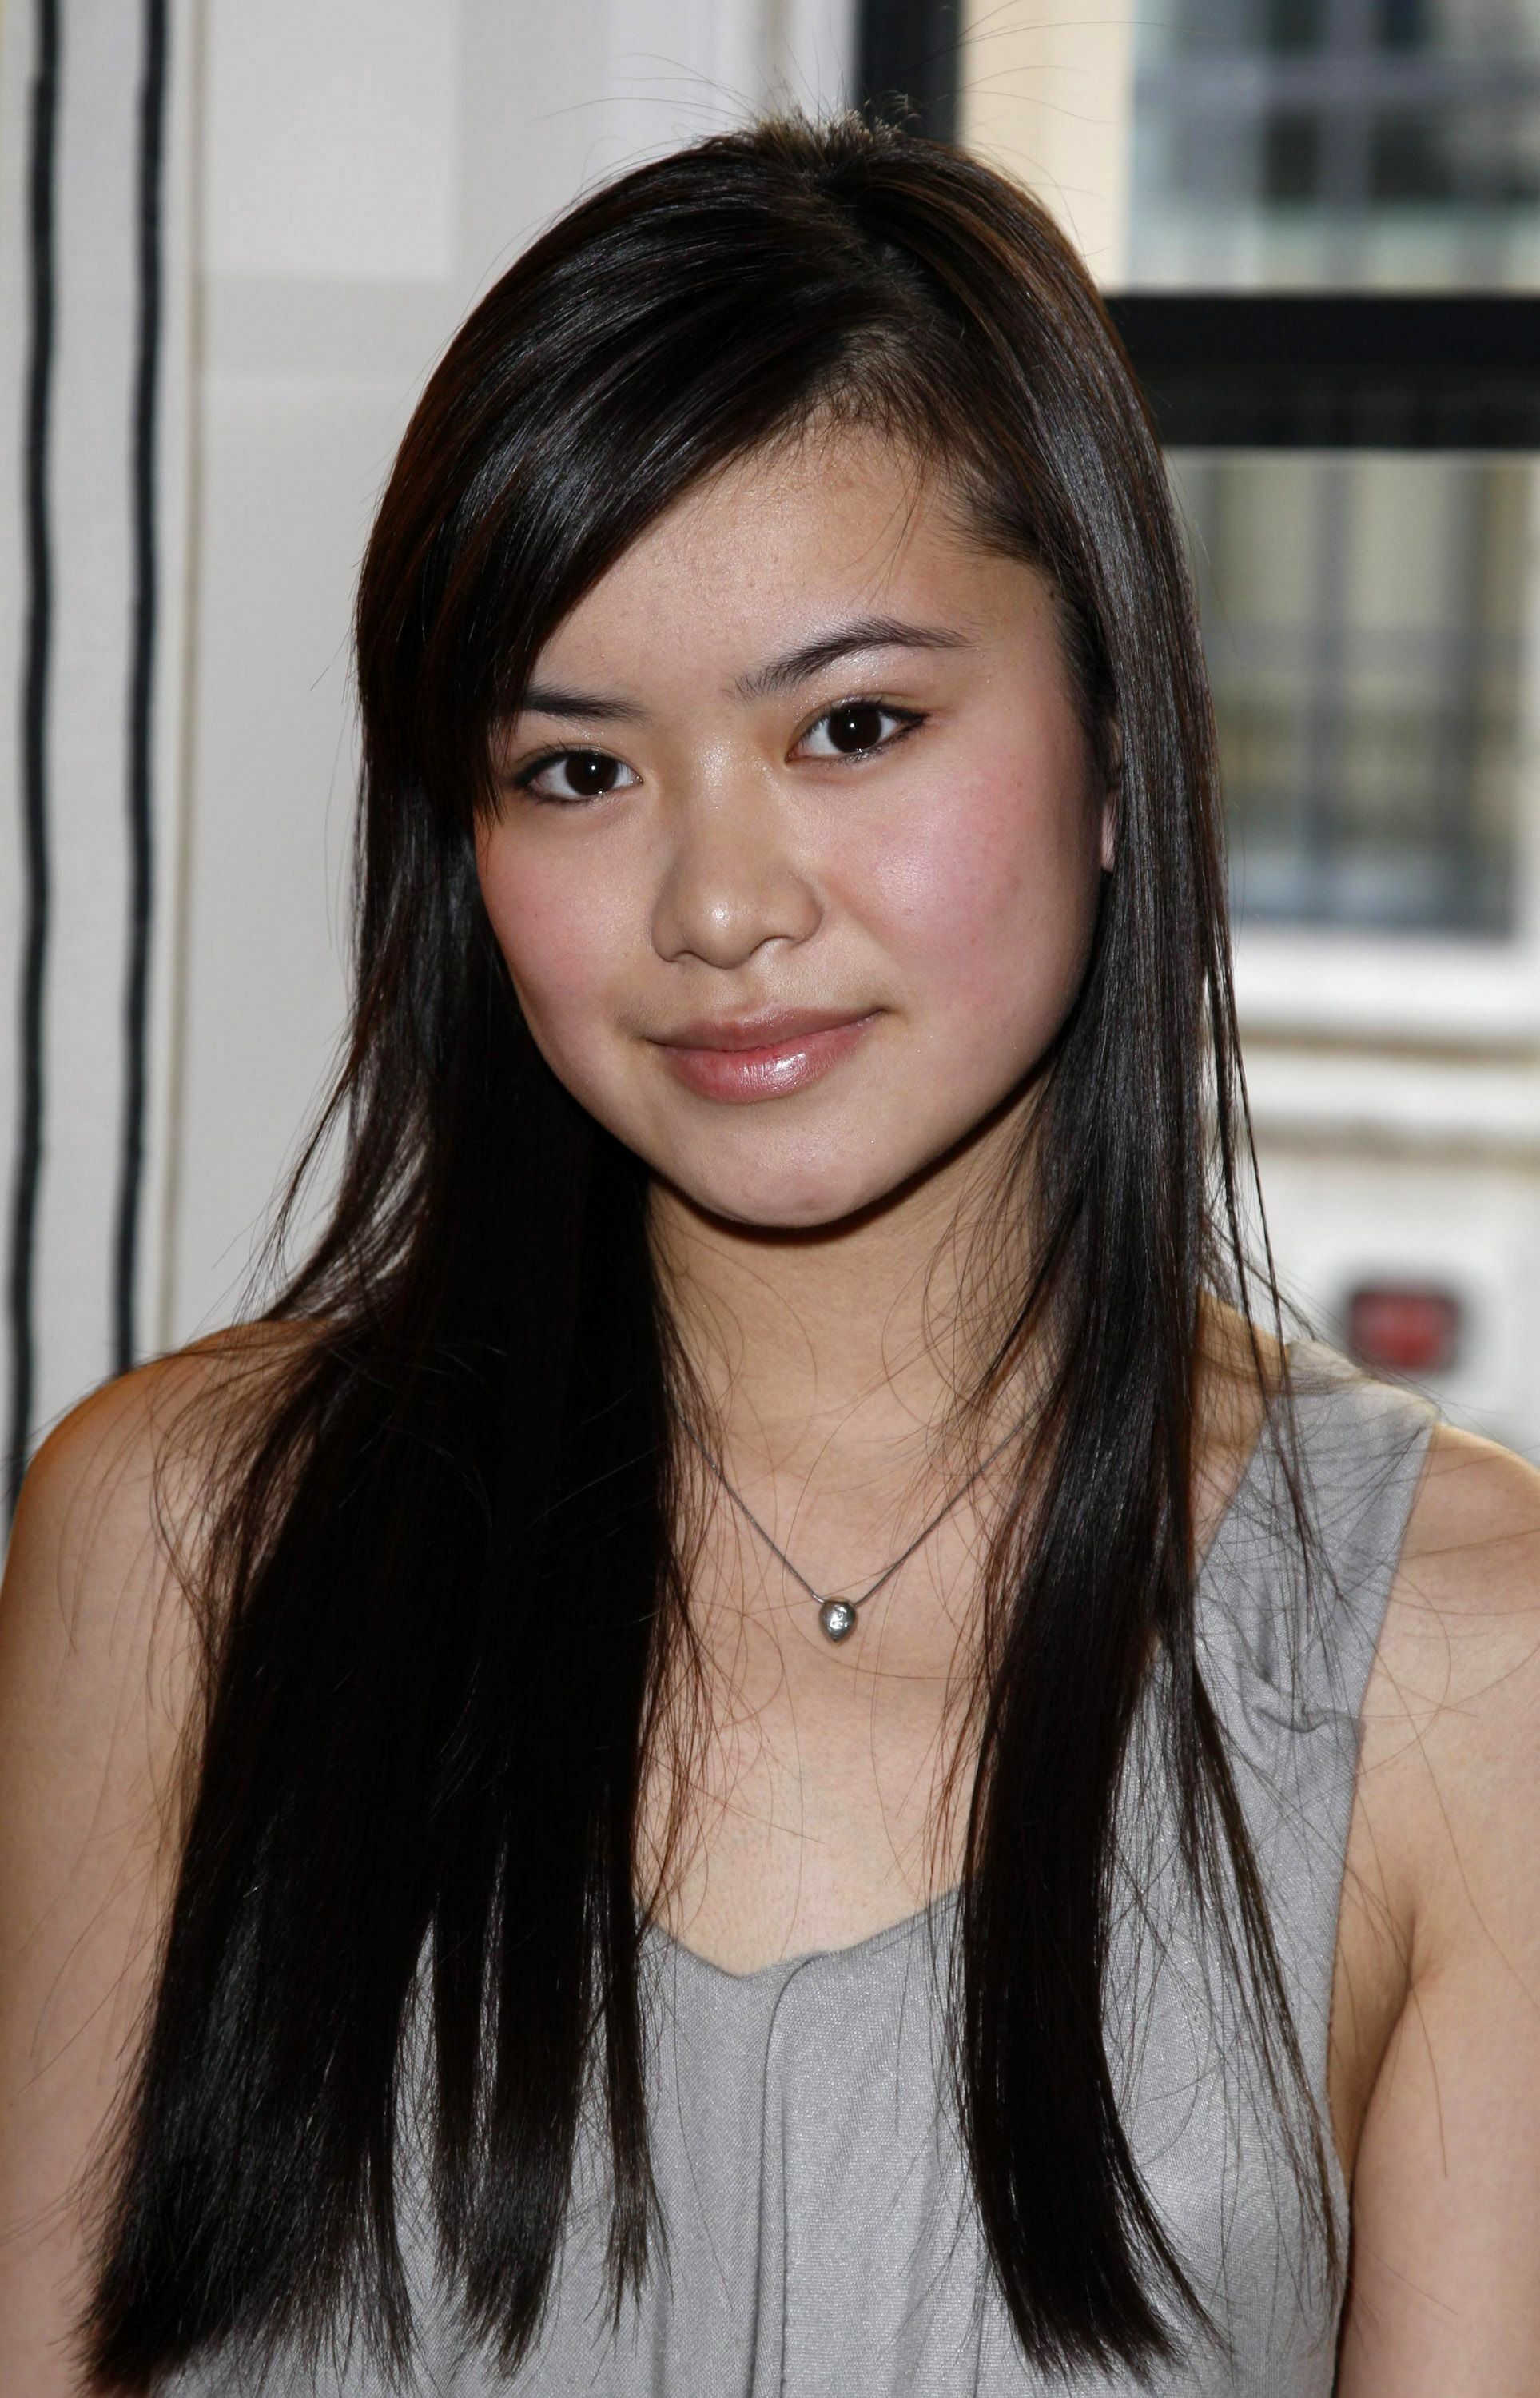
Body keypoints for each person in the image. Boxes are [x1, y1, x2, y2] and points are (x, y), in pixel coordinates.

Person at [2, 114, 1536, 2398]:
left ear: (1121, 741)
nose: (720, 908)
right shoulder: (184, 1539)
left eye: (854, 726)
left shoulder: (1466, 1654)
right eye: (577, 770)